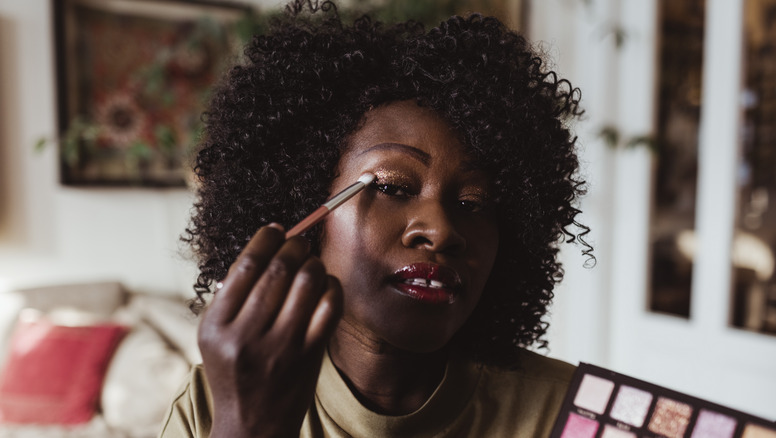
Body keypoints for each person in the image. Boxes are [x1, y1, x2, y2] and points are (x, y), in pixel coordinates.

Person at [159, 0, 591, 436]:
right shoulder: (212, 409)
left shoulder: (574, 416)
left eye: (473, 203)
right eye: (393, 188)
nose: (441, 231)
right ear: (303, 206)